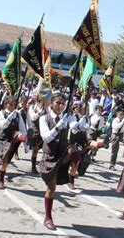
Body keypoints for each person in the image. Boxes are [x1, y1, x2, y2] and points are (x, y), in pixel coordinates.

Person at [38, 93, 86, 230]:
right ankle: (48, 217)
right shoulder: (43, 118)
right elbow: (47, 138)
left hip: (64, 151)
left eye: (62, 104)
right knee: (51, 188)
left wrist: (81, 123)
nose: (60, 106)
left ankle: (74, 171)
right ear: (51, 103)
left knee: (74, 150)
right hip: (50, 155)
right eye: (57, 103)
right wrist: (58, 126)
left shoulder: (67, 117)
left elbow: (75, 127)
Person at [0, 96, 27, 189]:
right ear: (6, 104)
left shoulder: (17, 114)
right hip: (4, 139)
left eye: (13, 105)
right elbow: (2, 125)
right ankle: (1, 179)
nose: (12, 106)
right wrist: (9, 118)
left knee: (18, 134)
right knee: (5, 161)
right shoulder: (1, 113)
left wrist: (26, 142)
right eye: (10, 104)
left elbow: (22, 127)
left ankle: (24, 139)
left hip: (13, 139)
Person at [28, 98, 48, 174]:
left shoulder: (46, 109)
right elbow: (33, 118)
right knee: (35, 150)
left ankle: (44, 165)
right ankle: (33, 167)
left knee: (46, 149)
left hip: (44, 131)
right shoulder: (32, 107)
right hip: (35, 131)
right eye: (39, 101)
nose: (40, 102)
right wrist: (40, 112)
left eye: (41, 101)